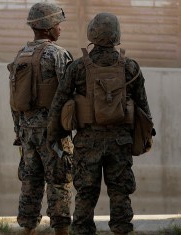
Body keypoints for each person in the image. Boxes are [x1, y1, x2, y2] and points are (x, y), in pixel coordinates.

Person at [47, 12, 152, 235]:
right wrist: (145, 138)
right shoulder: (130, 67)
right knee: (120, 192)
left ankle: (83, 230)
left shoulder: (77, 67)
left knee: (85, 193)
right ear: (116, 35)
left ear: (92, 34)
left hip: (87, 142)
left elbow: (58, 104)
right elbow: (143, 109)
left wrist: (53, 136)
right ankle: (121, 229)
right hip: (120, 142)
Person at [8, 2, 73, 235]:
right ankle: (61, 230)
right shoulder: (58, 54)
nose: (60, 29)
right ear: (47, 27)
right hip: (52, 133)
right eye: (57, 24)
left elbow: (14, 100)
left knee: (30, 182)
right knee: (59, 182)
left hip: (27, 133)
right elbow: (70, 93)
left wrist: (19, 131)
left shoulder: (20, 56)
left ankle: (28, 229)